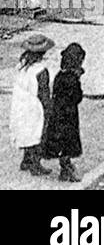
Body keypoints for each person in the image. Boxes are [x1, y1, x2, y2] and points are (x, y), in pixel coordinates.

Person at [10, 33, 54, 175]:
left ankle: (26, 159)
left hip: (20, 103)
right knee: (38, 132)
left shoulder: (21, 65)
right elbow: (43, 93)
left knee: (25, 131)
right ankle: (35, 163)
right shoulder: (41, 70)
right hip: (34, 106)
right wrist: (48, 108)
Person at [43, 42, 85, 182]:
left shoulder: (59, 76)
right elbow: (77, 97)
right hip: (69, 114)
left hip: (57, 112)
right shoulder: (72, 79)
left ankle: (64, 167)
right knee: (68, 141)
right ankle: (66, 169)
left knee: (61, 140)